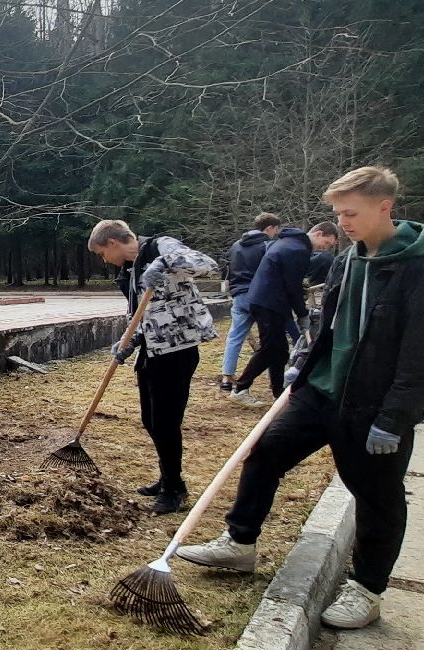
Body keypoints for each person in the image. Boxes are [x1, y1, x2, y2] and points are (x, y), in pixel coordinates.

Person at [177, 166, 424, 631]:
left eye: (351, 212)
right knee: (263, 454)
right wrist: (301, 370)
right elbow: (330, 328)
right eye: (338, 214)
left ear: (385, 207)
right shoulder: (346, 261)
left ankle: (367, 589)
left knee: (377, 496)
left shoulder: (421, 275)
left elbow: (423, 361)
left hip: (371, 408)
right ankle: (240, 544)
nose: (342, 222)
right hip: (318, 392)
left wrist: (396, 417)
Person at [87, 220, 218, 513]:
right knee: (150, 419)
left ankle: (174, 489)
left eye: (100, 253)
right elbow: (139, 315)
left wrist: (163, 263)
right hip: (153, 350)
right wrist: (126, 342)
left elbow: (206, 264)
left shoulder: (161, 246)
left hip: (178, 349)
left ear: (113, 243)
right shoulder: (129, 272)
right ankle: (167, 477)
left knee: (165, 421)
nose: (102, 259)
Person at [229, 222, 341, 406]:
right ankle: (240, 388)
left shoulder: (287, 242)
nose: (325, 248)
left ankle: (278, 392)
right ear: (319, 233)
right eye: (327, 243)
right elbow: (293, 286)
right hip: (269, 302)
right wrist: (302, 314)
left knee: (279, 350)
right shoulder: (297, 250)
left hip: (266, 300)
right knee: (270, 349)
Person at [220, 213, 281, 394]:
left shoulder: (236, 245)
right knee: (269, 340)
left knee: (235, 336)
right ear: (269, 228)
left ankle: (226, 377)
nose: (275, 233)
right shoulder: (267, 245)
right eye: (275, 229)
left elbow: (227, 268)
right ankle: (274, 380)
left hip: (239, 295)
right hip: (259, 296)